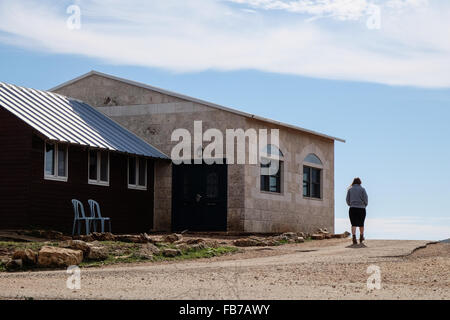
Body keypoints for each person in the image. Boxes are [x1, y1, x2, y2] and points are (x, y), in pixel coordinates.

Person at [346, 177, 368, 245]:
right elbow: (366, 199)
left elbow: (347, 200)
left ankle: (354, 237)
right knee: (361, 223)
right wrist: (364, 205)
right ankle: (361, 236)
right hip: (361, 208)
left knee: (353, 224)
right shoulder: (362, 189)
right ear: (360, 182)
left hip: (352, 208)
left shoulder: (350, 189)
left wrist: (351, 204)